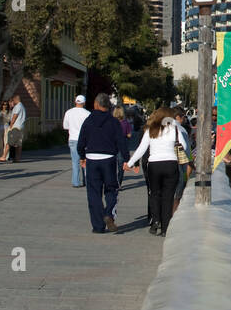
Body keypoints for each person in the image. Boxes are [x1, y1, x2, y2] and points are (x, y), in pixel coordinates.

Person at [125, 107, 190, 237]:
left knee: (154, 194)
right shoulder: (174, 129)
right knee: (168, 197)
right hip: (171, 164)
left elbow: (141, 149)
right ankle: (165, 228)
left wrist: (130, 163)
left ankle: (155, 221)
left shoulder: (150, 130)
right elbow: (185, 146)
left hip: (154, 165)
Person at [77, 94, 125, 233]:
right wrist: (127, 159)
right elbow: (121, 141)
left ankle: (98, 226)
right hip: (109, 159)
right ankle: (108, 213)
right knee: (111, 188)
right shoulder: (114, 122)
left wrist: (82, 155)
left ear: (96, 104)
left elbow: (81, 142)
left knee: (94, 193)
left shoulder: (88, 121)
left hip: (92, 159)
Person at [62, 94, 90, 188]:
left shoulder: (69, 112)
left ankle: (76, 182)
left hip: (73, 138)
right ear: (84, 102)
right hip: (84, 139)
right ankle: (87, 180)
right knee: (85, 160)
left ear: (75, 102)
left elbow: (65, 126)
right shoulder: (87, 113)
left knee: (75, 161)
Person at [112, 105, 132, 188]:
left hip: (112, 146)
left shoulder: (111, 122)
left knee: (112, 166)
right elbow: (129, 135)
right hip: (122, 145)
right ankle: (118, 183)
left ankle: (111, 182)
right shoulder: (125, 123)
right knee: (121, 166)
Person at [7, 94, 26, 162]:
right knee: (18, 144)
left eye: (13, 100)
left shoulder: (18, 106)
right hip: (20, 126)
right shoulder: (21, 106)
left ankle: (4, 156)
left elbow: (15, 116)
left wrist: (11, 125)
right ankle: (17, 158)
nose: (12, 101)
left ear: (15, 99)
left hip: (16, 127)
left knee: (9, 142)